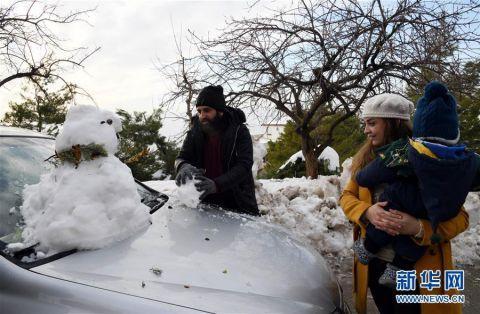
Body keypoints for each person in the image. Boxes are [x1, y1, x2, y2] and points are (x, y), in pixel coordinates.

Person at [340, 91, 470, 314]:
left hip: (416, 270)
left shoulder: (429, 158)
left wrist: (420, 228)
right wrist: (367, 212)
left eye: (372, 123)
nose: (366, 130)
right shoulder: (365, 160)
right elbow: (346, 197)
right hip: (376, 265)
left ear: (392, 123)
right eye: (365, 124)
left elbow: (461, 218)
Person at [174, 85, 259, 216]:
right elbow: (182, 157)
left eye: (207, 110)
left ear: (220, 111)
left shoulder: (239, 131)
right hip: (203, 200)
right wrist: (182, 166)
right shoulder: (194, 131)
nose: (202, 116)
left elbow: (245, 164)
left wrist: (216, 184)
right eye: (199, 111)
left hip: (236, 201)